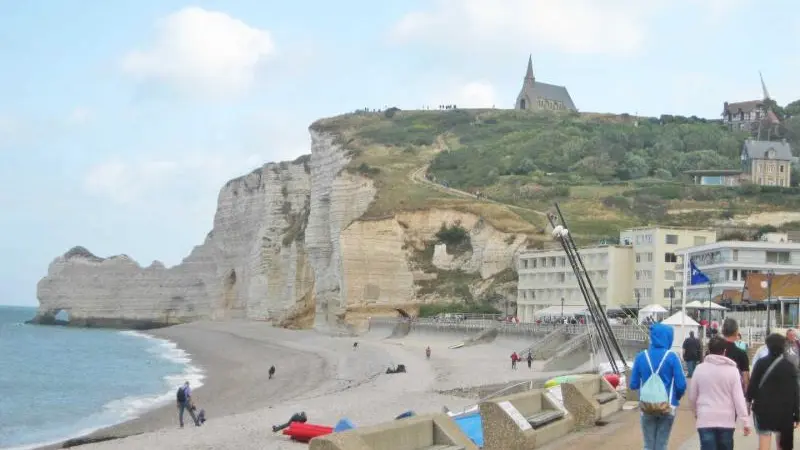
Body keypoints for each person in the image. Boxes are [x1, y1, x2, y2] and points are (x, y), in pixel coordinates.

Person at [629, 323, 687, 450]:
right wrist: (676, 397)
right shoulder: (672, 357)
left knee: (648, 445)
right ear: (668, 338)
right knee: (662, 444)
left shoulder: (641, 356)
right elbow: (681, 384)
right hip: (667, 405)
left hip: (646, 406)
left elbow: (633, 384)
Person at [688, 337, 752, 450]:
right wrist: (745, 421)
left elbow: (692, 395)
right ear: (724, 351)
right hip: (726, 420)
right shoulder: (733, 371)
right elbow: (738, 398)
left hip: (705, 417)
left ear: (709, 350)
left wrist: (696, 411)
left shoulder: (699, 369)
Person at [747, 333, 800, 450]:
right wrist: (797, 414)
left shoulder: (760, 363)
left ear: (768, 346)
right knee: (783, 444)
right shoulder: (790, 366)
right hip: (785, 412)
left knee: (764, 442)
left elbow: (752, 385)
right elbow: (795, 392)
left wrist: (748, 402)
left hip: (763, 409)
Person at [720, 319, 749, 391]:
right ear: (736, 332)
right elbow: (745, 379)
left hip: (715, 392)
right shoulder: (741, 353)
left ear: (723, 331)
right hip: (734, 392)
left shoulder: (714, 351)